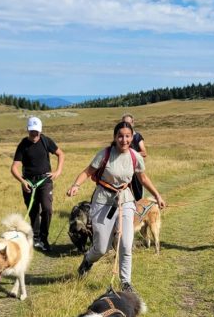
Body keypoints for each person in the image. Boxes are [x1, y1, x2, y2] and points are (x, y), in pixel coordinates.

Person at [66, 120, 165, 292]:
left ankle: (125, 283)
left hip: (125, 201)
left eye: (127, 136)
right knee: (101, 247)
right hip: (103, 201)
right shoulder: (104, 154)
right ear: (115, 137)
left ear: (132, 137)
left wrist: (157, 195)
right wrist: (76, 185)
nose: (124, 140)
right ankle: (87, 261)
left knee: (126, 244)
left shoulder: (135, 157)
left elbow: (143, 178)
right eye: (120, 136)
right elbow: (87, 172)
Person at [11, 116, 64, 251]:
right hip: (28, 182)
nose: (34, 134)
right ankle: (35, 238)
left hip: (45, 181)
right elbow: (14, 168)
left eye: (37, 132)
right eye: (32, 131)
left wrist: (58, 171)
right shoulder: (23, 145)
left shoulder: (46, 141)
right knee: (33, 211)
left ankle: (44, 238)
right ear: (28, 130)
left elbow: (60, 154)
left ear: (40, 131)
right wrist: (22, 182)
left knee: (47, 209)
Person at [121, 113, 147, 200]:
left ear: (133, 123)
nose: (127, 125)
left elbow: (144, 152)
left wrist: (130, 154)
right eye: (125, 123)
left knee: (138, 196)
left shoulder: (137, 137)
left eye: (129, 123)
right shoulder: (120, 138)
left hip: (135, 171)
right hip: (123, 171)